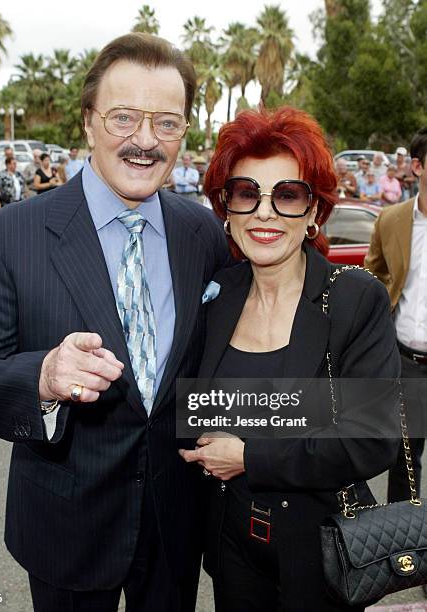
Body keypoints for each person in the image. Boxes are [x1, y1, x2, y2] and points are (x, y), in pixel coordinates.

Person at [0, 32, 228, 612]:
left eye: (167, 123)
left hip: (176, 526)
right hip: (64, 528)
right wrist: (43, 377)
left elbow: (211, 364)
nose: (145, 141)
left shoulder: (203, 234)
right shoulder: (7, 237)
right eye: (123, 118)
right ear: (88, 122)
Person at [180, 106, 400, 611]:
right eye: (246, 193)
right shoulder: (217, 295)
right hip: (230, 549)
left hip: (321, 553)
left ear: (315, 211)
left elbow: (372, 438)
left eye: (287, 195)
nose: (264, 213)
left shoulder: (353, 298)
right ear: (226, 207)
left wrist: (248, 457)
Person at [365, 126, 427, 507]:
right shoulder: (391, 220)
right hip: (408, 362)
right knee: (405, 463)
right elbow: (373, 275)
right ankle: (405, 558)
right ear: (418, 167)